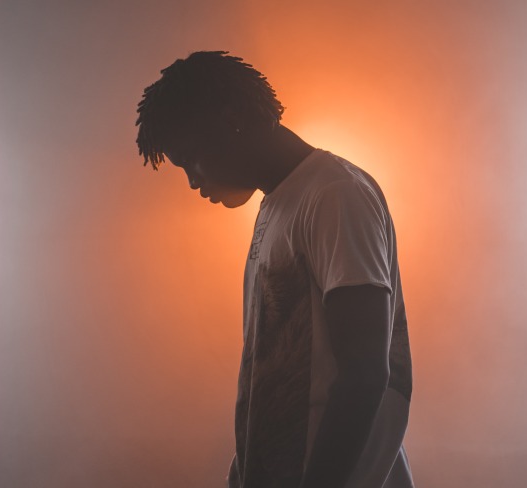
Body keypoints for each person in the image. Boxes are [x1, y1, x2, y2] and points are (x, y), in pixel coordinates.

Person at [135, 51, 414, 488]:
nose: (192, 180)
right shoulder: (279, 203)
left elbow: (364, 372)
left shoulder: (335, 194)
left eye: (191, 158)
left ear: (232, 118)